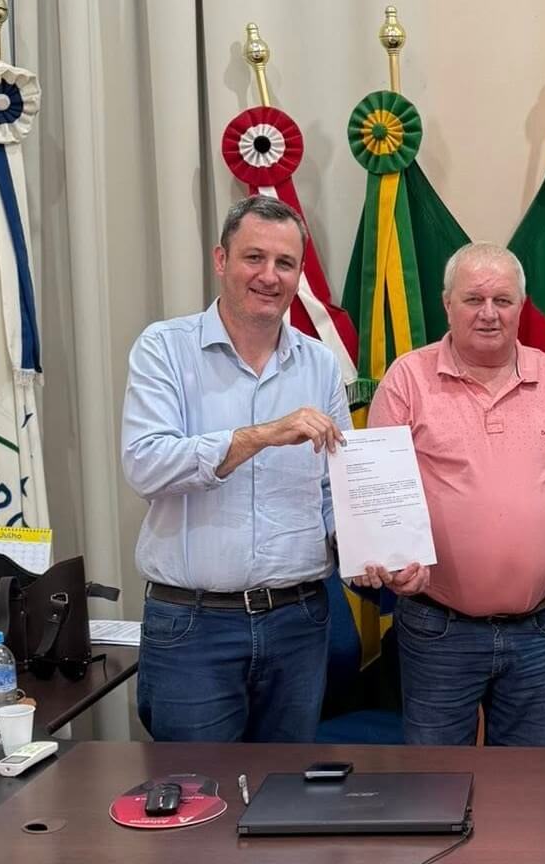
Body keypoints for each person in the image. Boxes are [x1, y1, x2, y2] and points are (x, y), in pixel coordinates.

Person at [121, 195, 353, 743]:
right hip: (194, 627)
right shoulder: (164, 349)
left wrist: (371, 547)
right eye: (254, 258)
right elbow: (146, 465)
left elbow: (334, 489)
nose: (269, 276)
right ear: (221, 260)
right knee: (196, 790)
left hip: (298, 623)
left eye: (285, 263)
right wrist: (262, 435)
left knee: (286, 788)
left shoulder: (320, 364)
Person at [364, 242, 545, 746]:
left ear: (521, 306)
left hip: (537, 630)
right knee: (437, 780)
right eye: (473, 299)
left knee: (527, 782)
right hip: (438, 628)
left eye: (503, 300)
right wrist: (392, 558)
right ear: (447, 304)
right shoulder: (408, 378)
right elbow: (377, 492)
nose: (489, 313)